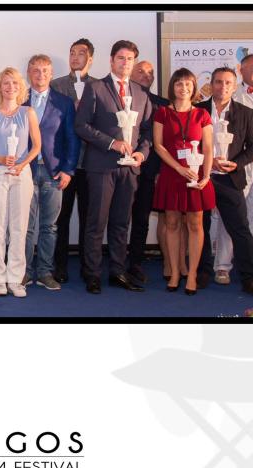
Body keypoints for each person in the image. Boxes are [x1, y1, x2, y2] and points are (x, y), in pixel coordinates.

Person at [74, 39, 152, 295]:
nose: (125, 63)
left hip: (130, 170)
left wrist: (141, 153)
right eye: (121, 58)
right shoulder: (95, 88)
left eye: (130, 59)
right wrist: (111, 143)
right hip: (101, 167)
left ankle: (118, 271)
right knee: (96, 223)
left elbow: (147, 132)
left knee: (121, 223)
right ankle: (92, 274)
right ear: (111, 60)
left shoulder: (141, 93)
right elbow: (81, 126)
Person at [194, 67, 253, 299]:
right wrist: (207, 161)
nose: (223, 86)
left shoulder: (246, 113)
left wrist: (236, 164)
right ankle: (203, 271)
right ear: (211, 84)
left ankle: (249, 278)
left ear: (235, 86)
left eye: (228, 83)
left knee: (240, 228)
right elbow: (189, 143)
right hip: (203, 177)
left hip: (230, 178)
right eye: (218, 82)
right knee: (201, 226)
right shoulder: (197, 110)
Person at [0, 67, 42, 298]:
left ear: (20, 86)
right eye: (5, 83)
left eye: (14, 83)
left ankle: (15, 279)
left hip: (21, 175)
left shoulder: (28, 112)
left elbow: (37, 146)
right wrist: (0, 159)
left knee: (19, 229)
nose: (10, 87)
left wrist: (22, 165)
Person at [213, 53, 253, 285]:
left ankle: (251, 268)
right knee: (231, 218)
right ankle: (222, 266)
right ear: (241, 70)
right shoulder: (230, 94)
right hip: (236, 167)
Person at [151, 68, 214, 296]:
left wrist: (206, 176)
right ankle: (175, 272)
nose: (184, 88)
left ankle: (193, 274)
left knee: (196, 224)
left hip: (196, 176)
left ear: (194, 87)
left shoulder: (202, 114)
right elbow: (158, 145)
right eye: (179, 83)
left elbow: (208, 147)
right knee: (172, 223)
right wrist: (178, 168)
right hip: (172, 173)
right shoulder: (162, 113)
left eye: (188, 83)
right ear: (172, 87)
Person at [22, 54, 79, 291]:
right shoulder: (18, 98)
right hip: (24, 171)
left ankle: (45, 272)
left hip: (54, 172)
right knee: (25, 226)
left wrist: (68, 170)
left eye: (45, 70)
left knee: (50, 226)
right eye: (35, 70)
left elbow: (72, 139)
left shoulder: (64, 102)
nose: (40, 75)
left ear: (52, 74)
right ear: (28, 73)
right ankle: (24, 271)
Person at [51, 37, 94, 284]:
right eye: (72, 53)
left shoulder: (99, 86)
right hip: (63, 163)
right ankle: (60, 267)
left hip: (91, 163)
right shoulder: (56, 85)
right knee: (61, 218)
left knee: (89, 219)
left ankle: (89, 268)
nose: (75, 57)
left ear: (90, 58)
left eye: (81, 53)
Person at [128, 59, 170, 285]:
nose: (146, 75)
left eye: (150, 72)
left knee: (142, 218)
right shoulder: (120, 99)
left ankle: (135, 263)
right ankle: (116, 262)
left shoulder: (164, 105)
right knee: (117, 219)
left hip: (150, 171)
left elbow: (168, 141)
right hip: (121, 169)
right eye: (141, 71)